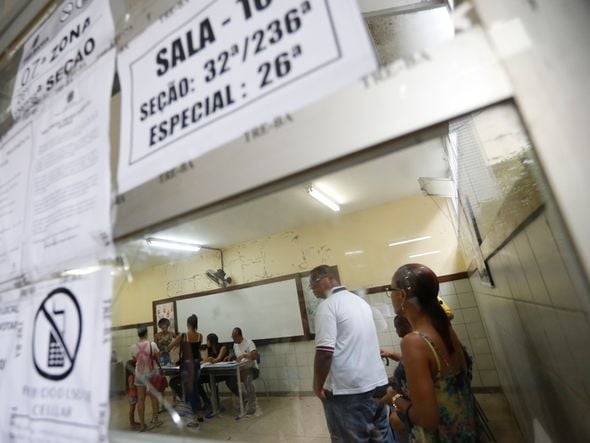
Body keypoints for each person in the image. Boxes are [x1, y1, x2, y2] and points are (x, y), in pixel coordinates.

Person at [389, 263, 477, 442]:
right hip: (465, 430)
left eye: (391, 290)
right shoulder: (444, 326)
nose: (390, 295)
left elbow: (427, 419)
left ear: (402, 295)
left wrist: (394, 397)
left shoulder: (414, 341)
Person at [310, 264, 393, 443]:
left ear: (330, 279)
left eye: (315, 282)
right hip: (377, 383)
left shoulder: (327, 306)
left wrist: (317, 386)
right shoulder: (359, 301)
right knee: (381, 437)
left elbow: (324, 352)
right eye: (311, 286)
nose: (313, 289)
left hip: (350, 391)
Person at [381, 315, 413, 442]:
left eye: (396, 327)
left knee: (392, 417)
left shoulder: (411, 340)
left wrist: (394, 398)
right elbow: (408, 359)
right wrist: (390, 354)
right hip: (404, 396)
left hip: (409, 404)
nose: (396, 331)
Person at [169, 314, 204, 428]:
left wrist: (174, 341)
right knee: (195, 389)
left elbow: (170, 346)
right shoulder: (200, 336)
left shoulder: (183, 335)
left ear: (188, 324)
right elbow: (195, 350)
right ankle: (199, 414)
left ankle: (193, 418)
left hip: (187, 365)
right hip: (197, 364)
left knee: (190, 391)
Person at [130, 325, 162, 432]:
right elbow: (158, 356)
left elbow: (134, 359)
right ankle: (155, 419)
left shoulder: (133, 346)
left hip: (139, 373)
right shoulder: (152, 344)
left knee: (141, 399)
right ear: (146, 333)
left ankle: (142, 425)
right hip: (152, 372)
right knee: (154, 397)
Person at [225, 327, 258, 416]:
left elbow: (255, 355)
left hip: (252, 369)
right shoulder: (235, 345)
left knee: (247, 378)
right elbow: (238, 357)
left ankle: (252, 405)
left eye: (234, 337)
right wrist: (231, 356)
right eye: (232, 337)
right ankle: (244, 397)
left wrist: (244, 355)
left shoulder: (249, 343)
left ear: (239, 336)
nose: (233, 339)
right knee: (229, 381)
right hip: (240, 370)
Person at [199, 333, 228, 410]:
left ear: (211, 341)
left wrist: (211, 359)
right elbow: (204, 361)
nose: (206, 342)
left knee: (211, 379)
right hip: (212, 372)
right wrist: (206, 360)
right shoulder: (208, 349)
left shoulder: (223, 347)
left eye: (207, 340)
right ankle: (206, 401)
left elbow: (218, 359)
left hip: (223, 372)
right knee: (197, 381)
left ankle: (216, 403)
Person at [126, 360, 139, 429]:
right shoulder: (131, 376)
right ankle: (132, 423)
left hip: (133, 394)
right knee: (132, 409)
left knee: (133, 409)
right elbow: (131, 386)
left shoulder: (132, 375)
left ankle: (133, 422)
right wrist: (137, 385)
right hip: (132, 394)